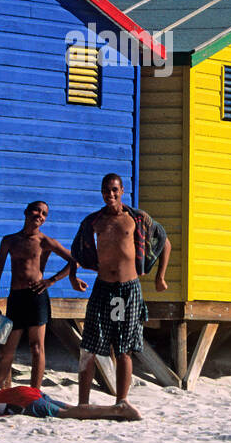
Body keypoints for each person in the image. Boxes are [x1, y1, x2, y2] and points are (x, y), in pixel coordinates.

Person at [70, 174, 170, 411]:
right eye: (106, 191)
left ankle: (122, 400)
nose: (110, 195)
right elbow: (78, 250)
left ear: (122, 190)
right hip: (103, 288)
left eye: (114, 190)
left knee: (124, 346)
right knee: (89, 346)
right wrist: (73, 277)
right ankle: (82, 402)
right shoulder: (94, 221)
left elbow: (164, 241)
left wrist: (160, 276)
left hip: (128, 288)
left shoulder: (136, 218)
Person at [0, 201, 86, 390]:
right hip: (16, 298)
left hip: (36, 297)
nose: (39, 215)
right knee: (7, 350)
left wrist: (52, 280)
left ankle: (34, 393)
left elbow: (76, 260)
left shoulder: (44, 241)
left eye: (44, 214)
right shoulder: (9, 240)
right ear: (26, 212)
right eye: (36, 210)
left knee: (37, 347)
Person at [0, 376, 140, 421]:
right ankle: (113, 410)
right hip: (24, 392)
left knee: (69, 414)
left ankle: (118, 409)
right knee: (72, 408)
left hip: (21, 399)